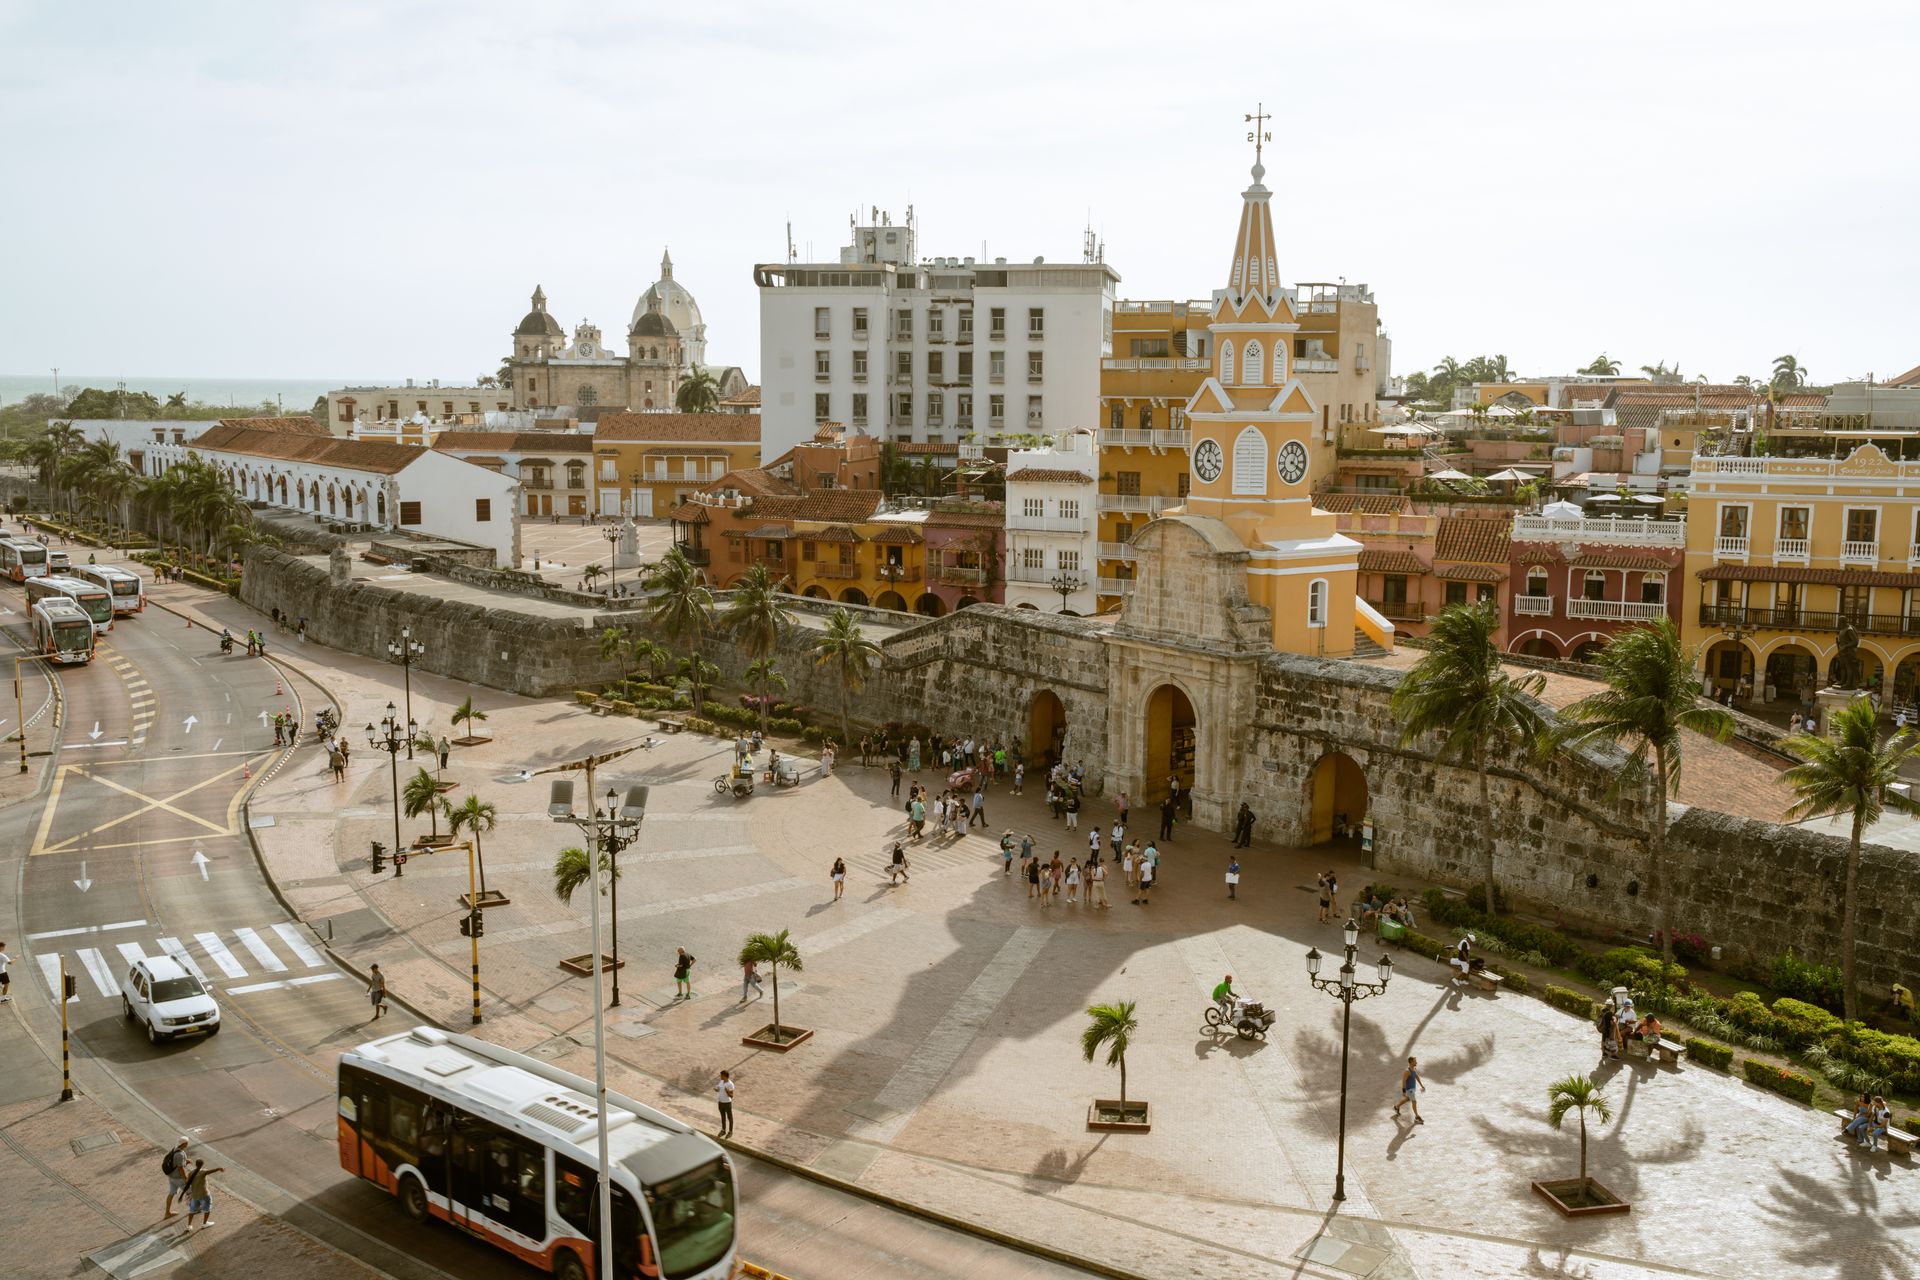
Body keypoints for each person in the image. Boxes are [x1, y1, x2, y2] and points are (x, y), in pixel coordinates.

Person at [182, 1158, 225, 1232]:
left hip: (195, 1195)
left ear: (196, 1164)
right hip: (204, 1194)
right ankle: (205, 1223)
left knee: (192, 1210)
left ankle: (189, 1225)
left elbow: (187, 1182)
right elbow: (210, 1171)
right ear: (202, 1164)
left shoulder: (191, 1173)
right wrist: (218, 1168)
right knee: (207, 1208)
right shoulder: (203, 1172)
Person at [161, 1137, 191, 1217]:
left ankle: (167, 1213)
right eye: (187, 1142)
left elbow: (176, 1164)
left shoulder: (175, 1149)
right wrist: (185, 1179)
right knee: (190, 1192)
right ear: (183, 1144)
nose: (188, 1143)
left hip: (171, 1177)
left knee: (171, 1194)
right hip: (178, 1178)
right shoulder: (180, 1154)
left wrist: (186, 1162)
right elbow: (180, 1169)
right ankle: (194, 1209)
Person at [1391, 1057, 1425, 1124]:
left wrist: (1421, 1085)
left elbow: (1416, 1076)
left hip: (1413, 1088)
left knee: (1407, 1099)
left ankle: (1396, 1107)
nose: (1416, 1062)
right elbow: (1404, 1081)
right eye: (1415, 1061)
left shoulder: (1414, 1069)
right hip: (1409, 1089)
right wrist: (1403, 1091)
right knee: (1414, 1101)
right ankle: (1417, 1117)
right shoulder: (1407, 1071)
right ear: (1411, 1062)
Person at [715, 1071, 735, 1139]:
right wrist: (716, 1089)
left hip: (727, 1103)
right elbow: (718, 1089)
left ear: (724, 1076)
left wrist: (727, 1091)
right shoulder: (721, 1082)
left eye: (721, 1075)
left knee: (729, 1118)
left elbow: (731, 1096)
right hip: (720, 1102)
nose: (720, 1076)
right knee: (723, 1117)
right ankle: (723, 1130)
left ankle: (730, 1132)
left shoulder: (730, 1084)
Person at [0, 938, 9, 1003]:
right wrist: (15, 958)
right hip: (2, 972)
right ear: (1, 947)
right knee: (6, 984)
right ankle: (3, 998)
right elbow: (10, 962)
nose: (4, 948)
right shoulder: (2, 956)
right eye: (3, 947)